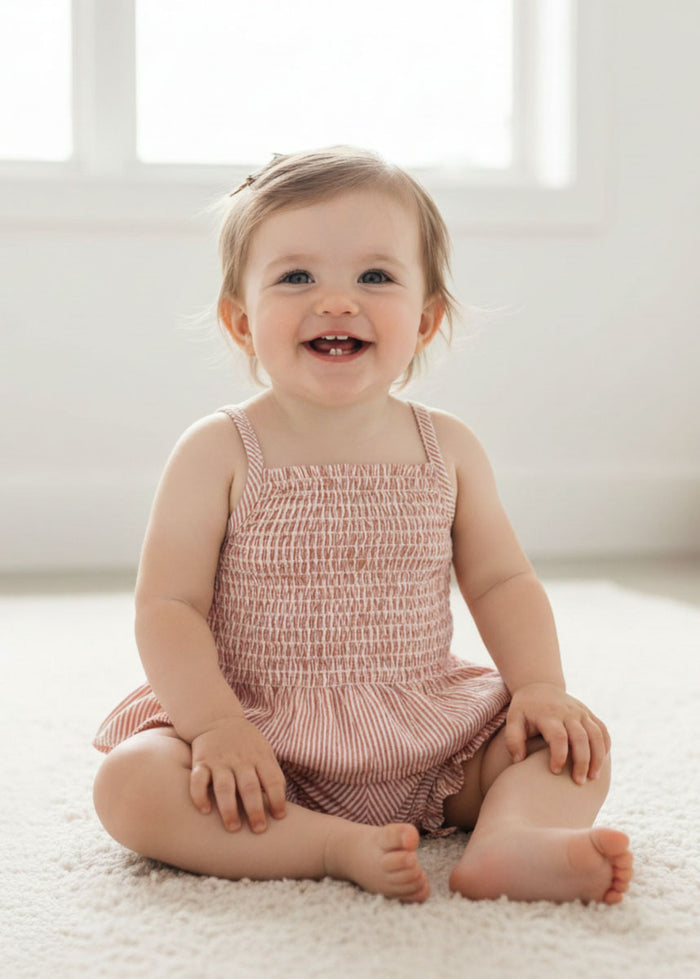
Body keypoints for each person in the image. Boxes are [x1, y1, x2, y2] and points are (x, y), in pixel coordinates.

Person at [92, 146, 633, 904]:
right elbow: (168, 605)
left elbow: (503, 579)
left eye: (375, 276)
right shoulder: (218, 449)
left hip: (429, 736)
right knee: (130, 783)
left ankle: (510, 842)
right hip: (262, 742)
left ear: (427, 317)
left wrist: (542, 685)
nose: (338, 301)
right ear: (242, 321)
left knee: (573, 746)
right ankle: (327, 844)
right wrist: (215, 726)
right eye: (297, 277)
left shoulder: (448, 447)